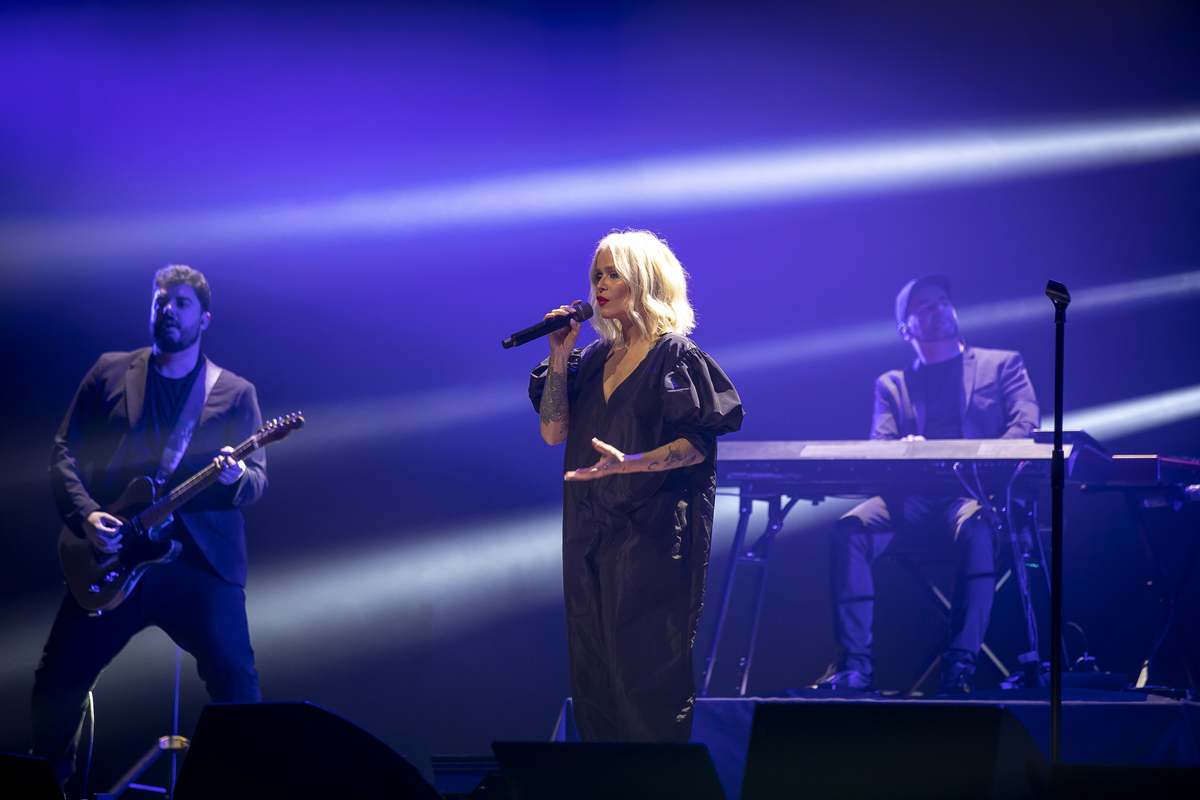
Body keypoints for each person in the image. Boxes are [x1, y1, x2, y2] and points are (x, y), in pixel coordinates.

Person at [34, 265, 268, 786]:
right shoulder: (109, 371)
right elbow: (63, 452)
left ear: (204, 318)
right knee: (56, 681)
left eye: (181, 303)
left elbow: (256, 481)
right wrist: (85, 514)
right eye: (161, 301)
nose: (168, 310)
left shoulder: (234, 392)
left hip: (197, 565)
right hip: (115, 556)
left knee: (237, 679)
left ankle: (241, 789)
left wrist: (234, 478)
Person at [529, 230, 743, 742]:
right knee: (593, 675)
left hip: (652, 535)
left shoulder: (674, 355)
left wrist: (631, 464)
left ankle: (655, 779)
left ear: (644, 280)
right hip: (588, 530)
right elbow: (553, 432)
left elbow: (697, 445)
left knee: (645, 679)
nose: (600, 285)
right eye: (596, 275)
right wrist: (559, 355)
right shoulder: (591, 360)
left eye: (613, 274)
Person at [817, 275, 1039, 695]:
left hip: (972, 495)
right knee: (849, 529)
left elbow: (1025, 426)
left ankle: (959, 665)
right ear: (906, 328)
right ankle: (855, 668)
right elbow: (880, 447)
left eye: (943, 301)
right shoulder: (892, 384)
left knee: (978, 530)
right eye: (926, 306)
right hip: (909, 498)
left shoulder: (1001, 364)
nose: (940, 308)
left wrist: (978, 461)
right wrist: (906, 450)